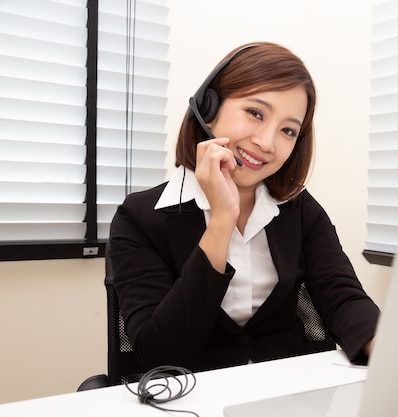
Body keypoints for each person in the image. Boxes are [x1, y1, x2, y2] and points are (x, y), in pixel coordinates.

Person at [108, 41, 379, 373]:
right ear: (209, 108)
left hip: (289, 393)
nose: (266, 142)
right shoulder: (139, 219)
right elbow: (159, 353)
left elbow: (342, 297)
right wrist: (223, 219)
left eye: (288, 130)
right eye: (255, 113)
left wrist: (389, 348)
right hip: (192, 398)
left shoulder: (300, 210)